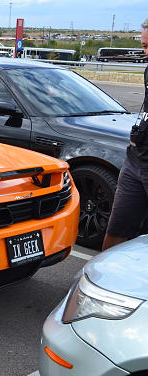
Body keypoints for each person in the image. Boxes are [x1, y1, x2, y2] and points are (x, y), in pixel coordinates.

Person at [102, 18, 148, 250]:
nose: (146, 53)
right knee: (117, 231)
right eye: (144, 46)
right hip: (135, 160)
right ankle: (103, 284)